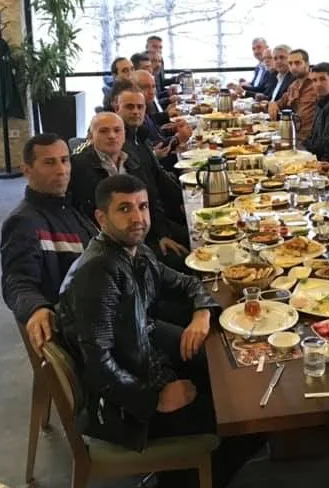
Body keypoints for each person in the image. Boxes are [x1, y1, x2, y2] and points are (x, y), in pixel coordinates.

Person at [57, 175, 261, 487]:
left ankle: (182, 473)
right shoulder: (98, 273)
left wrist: (202, 313)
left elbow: (188, 283)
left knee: (231, 376)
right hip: (124, 412)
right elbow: (98, 364)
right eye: (124, 209)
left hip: (146, 365)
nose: (137, 217)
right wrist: (154, 400)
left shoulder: (135, 252)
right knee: (248, 419)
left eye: (142, 206)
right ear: (101, 218)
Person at [0, 134, 96, 355]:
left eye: (64, 160)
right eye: (49, 162)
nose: (61, 170)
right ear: (27, 170)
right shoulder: (24, 222)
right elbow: (17, 281)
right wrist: (36, 308)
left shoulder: (68, 206)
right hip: (85, 329)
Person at [110, 81, 190, 266]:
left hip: (157, 219)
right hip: (143, 233)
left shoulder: (139, 137)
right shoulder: (121, 145)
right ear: (116, 107)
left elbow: (160, 178)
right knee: (191, 247)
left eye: (140, 107)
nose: (136, 112)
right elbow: (145, 195)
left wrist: (185, 200)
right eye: (130, 107)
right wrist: (161, 235)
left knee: (199, 230)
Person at [68, 112, 139, 222]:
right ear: (91, 137)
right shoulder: (76, 166)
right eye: (103, 131)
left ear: (124, 135)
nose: (112, 136)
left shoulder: (136, 160)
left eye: (117, 130)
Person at [269, 49, 318, 142]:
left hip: (309, 139)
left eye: (297, 63)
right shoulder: (293, 86)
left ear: (307, 64)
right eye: (290, 64)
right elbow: (280, 102)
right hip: (293, 135)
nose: (293, 67)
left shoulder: (316, 84)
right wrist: (273, 104)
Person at [304, 62, 329, 160]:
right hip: (313, 155)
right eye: (314, 80)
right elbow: (313, 135)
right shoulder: (320, 102)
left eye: (323, 79)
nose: (318, 84)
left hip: (323, 161)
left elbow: (328, 144)